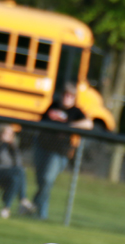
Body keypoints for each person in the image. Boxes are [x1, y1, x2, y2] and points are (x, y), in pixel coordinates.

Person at [32, 84, 92, 220]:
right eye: (65, 94)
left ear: (74, 98)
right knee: (41, 180)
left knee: (47, 179)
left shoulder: (75, 112)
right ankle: (37, 211)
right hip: (42, 146)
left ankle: (39, 211)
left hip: (58, 152)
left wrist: (69, 126)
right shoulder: (53, 106)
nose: (67, 98)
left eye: (70, 96)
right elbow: (42, 120)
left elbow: (89, 124)